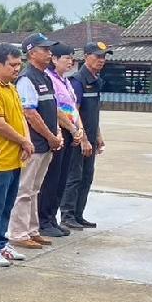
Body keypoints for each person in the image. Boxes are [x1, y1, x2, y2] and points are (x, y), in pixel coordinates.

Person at [0, 45, 34, 267]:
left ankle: (1, 243)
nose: (17, 68)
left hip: (14, 159)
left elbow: (20, 118)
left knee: (6, 205)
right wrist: (23, 141)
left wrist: (26, 141)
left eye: (19, 64)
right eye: (12, 64)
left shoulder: (11, 87)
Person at [8, 33, 63, 250]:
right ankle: (18, 233)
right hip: (34, 144)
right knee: (24, 190)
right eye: (45, 49)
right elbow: (29, 113)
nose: (50, 53)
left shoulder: (45, 77)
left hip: (46, 144)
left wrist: (56, 133)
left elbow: (52, 109)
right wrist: (50, 136)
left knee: (34, 189)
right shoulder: (27, 78)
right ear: (32, 53)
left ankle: (32, 230)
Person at [37, 43, 90, 238]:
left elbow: (73, 108)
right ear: (54, 59)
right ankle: (44, 220)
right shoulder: (49, 79)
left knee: (61, 178)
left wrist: (79, 130)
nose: (70, 61)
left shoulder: (65, 81)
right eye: (66, 58)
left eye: (71, 58)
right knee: (51, 179)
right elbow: (56, 110)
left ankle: (52, 218)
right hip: (59, 132)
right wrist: (72, 128)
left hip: (70, 132)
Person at [61, 43, 111, 229]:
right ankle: (67, 215)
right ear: (86, 56)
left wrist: (97, 135)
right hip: (78, 140)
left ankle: (78, 214)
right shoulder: (77, 81)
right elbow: (73, 113)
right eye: (97, 56)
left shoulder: (96, 81)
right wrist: (82, 140)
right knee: (74, 176)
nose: (101, 60)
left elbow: (93, 112)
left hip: (90, 138)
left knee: (87, 176)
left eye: (104, 57)